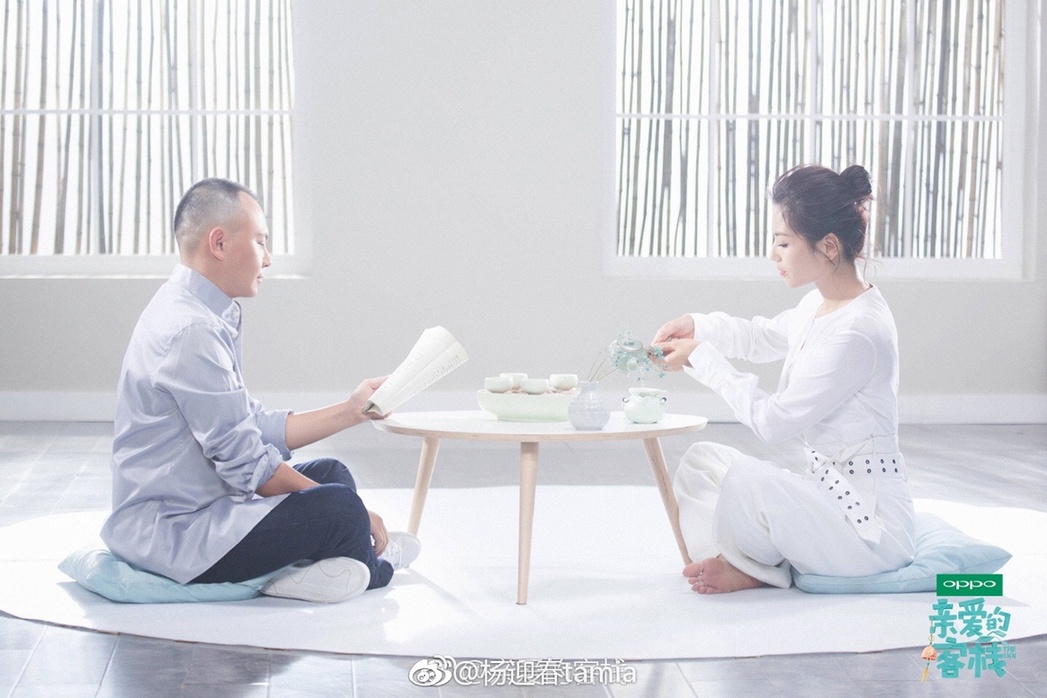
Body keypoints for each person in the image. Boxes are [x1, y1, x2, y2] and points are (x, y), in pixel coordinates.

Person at [101, 178, 419, 603]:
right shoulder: (191, 331)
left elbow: (251, 426)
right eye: (260, 242)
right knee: (342, 508)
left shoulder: (199, 309)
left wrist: (352, 410)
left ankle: (325, 563)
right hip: (175, 535)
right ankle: (369, 565)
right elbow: (252, 468)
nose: (267, 259)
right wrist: (358, 515)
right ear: (219, 243)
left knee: (332, 475)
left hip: (209, 505)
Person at [651, 164, 915, 594]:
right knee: (703, 462)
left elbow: (773, 423)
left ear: (828, 246)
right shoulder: (821, 305)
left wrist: (702, 360)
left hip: (868, 532)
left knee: (746, 481)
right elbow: (760, 337)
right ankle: (748, 560)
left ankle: (754, 565)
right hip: (824, 496)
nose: (773, 254)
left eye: (784, 242)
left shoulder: (858, 332)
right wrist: (698, 326)